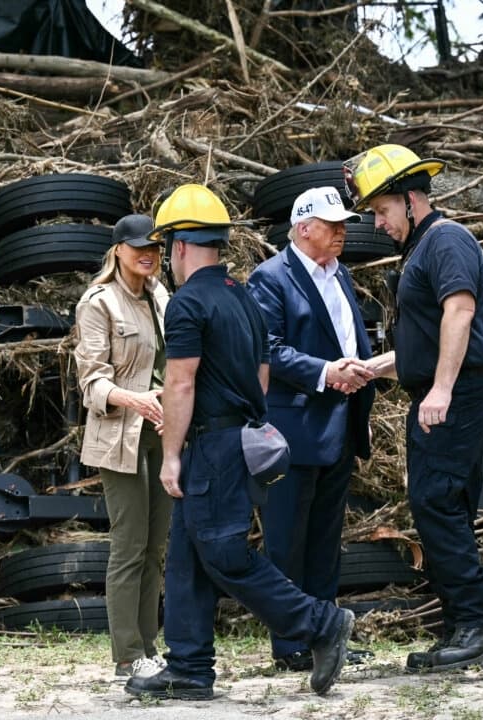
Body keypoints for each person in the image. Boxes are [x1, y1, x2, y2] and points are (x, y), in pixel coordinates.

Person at [124, 184, 353, 700]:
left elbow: (180, 383)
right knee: (186, 557)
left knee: (225, 555)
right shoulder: (242, 296)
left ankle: (321, 624)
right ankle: (188, 668)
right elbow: (264, 374)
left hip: (210, 448)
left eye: (165, 248)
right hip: (237, 439)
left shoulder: (186, 304)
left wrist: (174, 455)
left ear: (179, 246)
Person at [343, 144, 483, 672]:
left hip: (456, 395)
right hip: (445, 389)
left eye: (382, 210)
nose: (378, 222)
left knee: (436, 501)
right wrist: (374, 367)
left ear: (411, 200)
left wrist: (439, 390)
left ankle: (479, 625)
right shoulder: (421, 248)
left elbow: (459, 313)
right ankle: (465, 625)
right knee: (442, 506)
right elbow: (426, 343)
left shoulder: (446, 240)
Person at [246, 186, 376, 672]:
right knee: (287, 541)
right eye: (332, 224)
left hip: (338, 426)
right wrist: (327, 372)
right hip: (294, 430)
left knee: (324, 541)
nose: (343, 230)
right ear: (303, 228)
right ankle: (290, 644)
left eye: (344, 222)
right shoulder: (270, 278)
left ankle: (326, 636)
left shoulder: (339, 274)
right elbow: (270, 349)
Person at [73, 213, 171, 680]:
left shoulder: (160, 296)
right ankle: (127, 655)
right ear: (118, 251)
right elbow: (91, 384)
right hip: (119, 437)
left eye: (154, 245)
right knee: (129, 545)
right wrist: (135, 399)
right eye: (138, 247)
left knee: (155, 547)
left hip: (163, 432)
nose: (147, 253)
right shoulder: (98, 303)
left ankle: (150, 647)